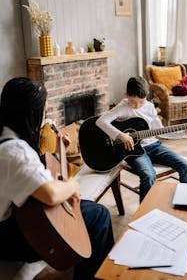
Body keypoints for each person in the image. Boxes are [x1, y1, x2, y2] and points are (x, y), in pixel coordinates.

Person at [0, 77, 114, 280]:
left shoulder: (7, 136)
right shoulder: (15, 151)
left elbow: (34, 175)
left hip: (14, 218)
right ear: (31, 113)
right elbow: (51, 194)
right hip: (12, 237)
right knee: (99, 215)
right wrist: (72, 185)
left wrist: (62, 154)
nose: (46, 115)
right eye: (44, 109)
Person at [96, 76, 187, 203]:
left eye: (142, 102)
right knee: (149, 175)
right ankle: (144, 214)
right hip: (134, 151)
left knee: (185, 166)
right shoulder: (122, 107)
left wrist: (184, 133)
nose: (138, 105)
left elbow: (161, 131)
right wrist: (120, 135)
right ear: (126, 95)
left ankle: (186, 202)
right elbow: (101, 121)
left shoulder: (150, 107)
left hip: (154, 146)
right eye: (134, 102)